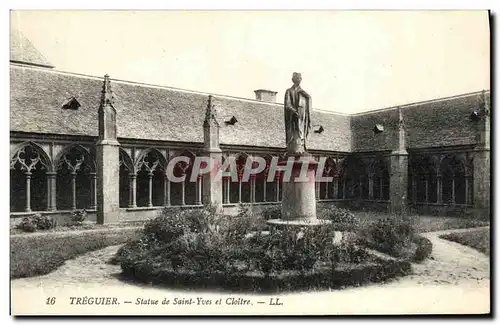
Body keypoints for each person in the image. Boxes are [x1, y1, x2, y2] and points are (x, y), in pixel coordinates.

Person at [284, 72, 312, 154]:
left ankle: (301, 146)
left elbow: (308, 102)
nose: (299, 79)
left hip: (301, 119)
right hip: (292, 118)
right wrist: (294, 111)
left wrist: (306, 95)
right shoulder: (289, 91)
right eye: (297, 78)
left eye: (300, 78)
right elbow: (287, 104)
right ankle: (294, 148)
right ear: (293, 79)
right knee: (294, 134)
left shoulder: (303, 93)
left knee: (301, 133)